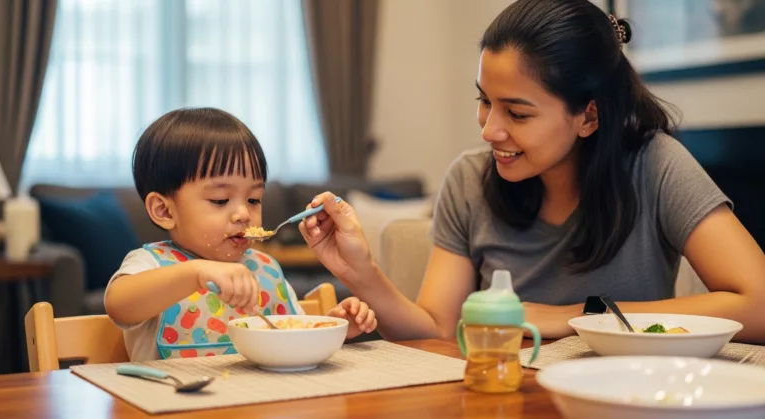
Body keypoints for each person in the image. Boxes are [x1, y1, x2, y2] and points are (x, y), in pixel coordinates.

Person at [298, 0, 765, 343]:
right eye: (484, 100)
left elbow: (759, 305)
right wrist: (360, 272)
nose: (489, 130)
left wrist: (577, 316)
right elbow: (437, 330)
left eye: (517, 114)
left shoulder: (656, 165)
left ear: (588, 116)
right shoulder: (469, 180)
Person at [105, 107, 377, 361]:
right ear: (164, 210)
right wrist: (194, 273)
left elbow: (292, 336)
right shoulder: (151, 264)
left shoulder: (265, 269)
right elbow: (119, 306)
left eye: (254, 199)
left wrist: (333, 326)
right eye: (220, 200)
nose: (244, 214)